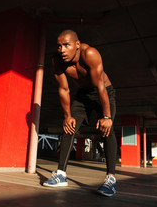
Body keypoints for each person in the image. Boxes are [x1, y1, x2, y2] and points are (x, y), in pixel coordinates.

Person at [43, 30, 117, 197]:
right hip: (83, 95)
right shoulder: (57, 61)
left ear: (77, 45)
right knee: (69, 127)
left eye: (66, 45)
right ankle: (61, 174)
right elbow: (63, 88)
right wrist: (67, 116)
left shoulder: (89, 54)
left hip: (103, 92)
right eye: (59, 46)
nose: (62, 50)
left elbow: (100, 88)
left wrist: (106, 117)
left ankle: (111, 179)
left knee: (107, 130)